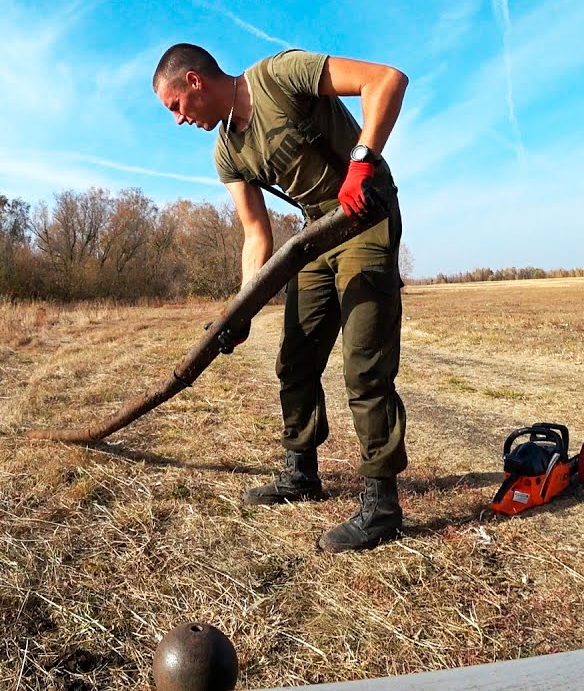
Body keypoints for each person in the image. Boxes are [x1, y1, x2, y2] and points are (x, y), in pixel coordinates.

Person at [153, 43, 409, 552]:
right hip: (317, 235)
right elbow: (255, 234)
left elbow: (386, 79)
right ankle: (301, 474)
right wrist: (242, 308)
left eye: (176, 106)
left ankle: (382, 505)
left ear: (195, 83)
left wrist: (363, 161)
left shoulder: (279, 75)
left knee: (363, 366)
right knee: (295, 361)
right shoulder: (227, 152)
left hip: (365, 215)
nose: (179, 121)